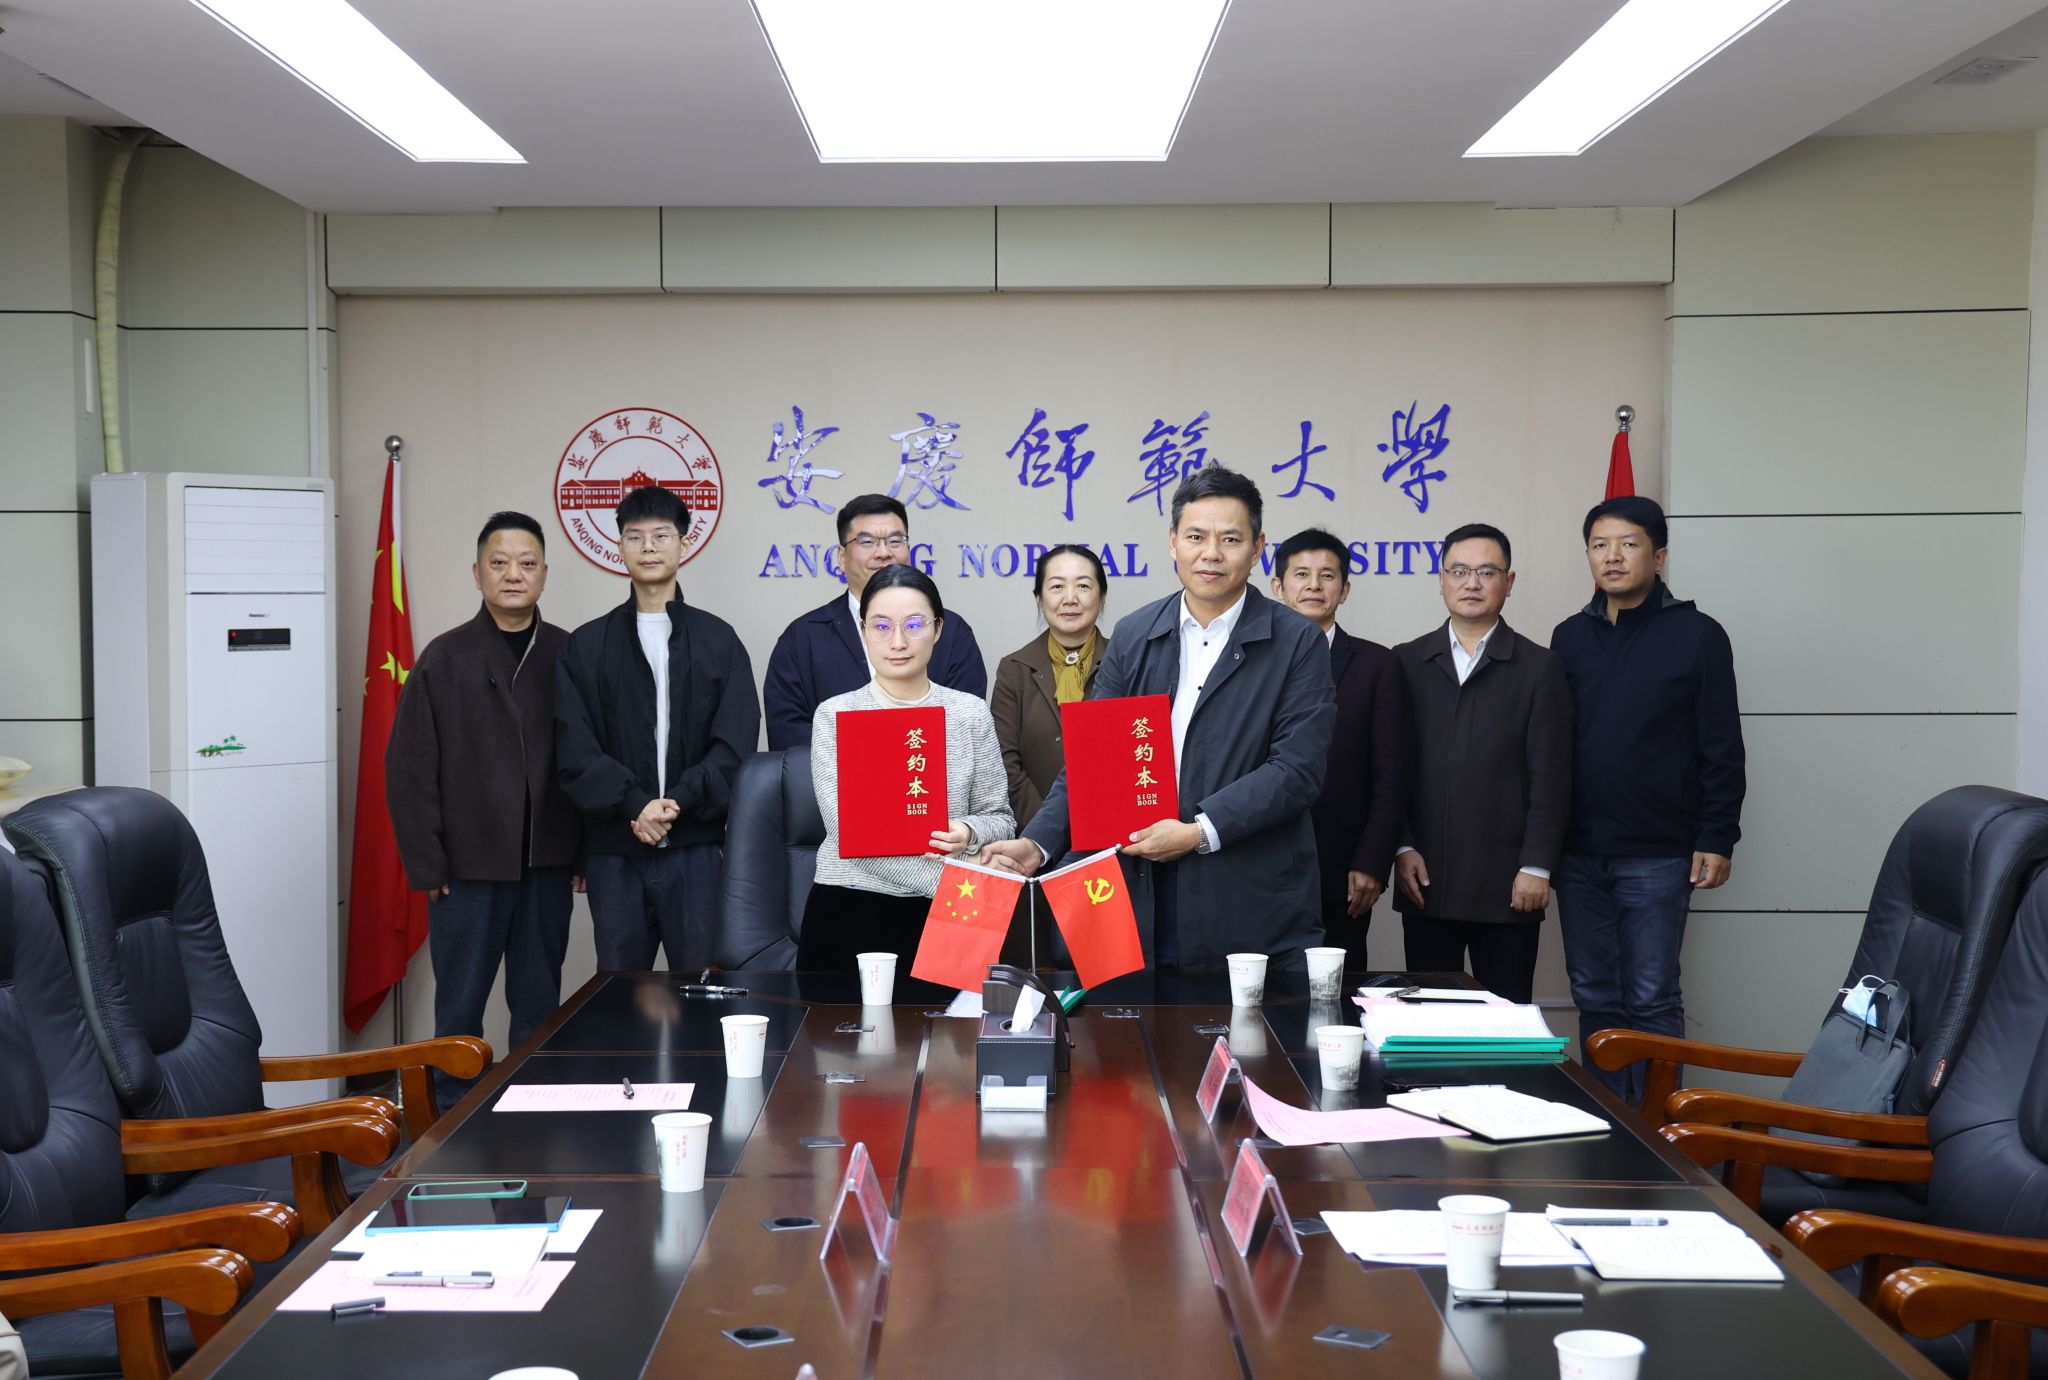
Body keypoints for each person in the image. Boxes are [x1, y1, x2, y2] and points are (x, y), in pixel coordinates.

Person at [981, 467, 1334, 970]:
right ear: (1173, 542)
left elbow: (1297, 771)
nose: (1211, 553)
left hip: (1247, 902)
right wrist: (1038, 843)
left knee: (1247, 1023)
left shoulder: (1297, 641)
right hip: (1139, 897)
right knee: (1137, 1018)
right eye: (1196, 537)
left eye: (1231, 539)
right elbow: (1093, 760)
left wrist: (1198, 830)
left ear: (1258, 548)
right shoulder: (1134, 634)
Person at [1550, 495, 1745, 1098]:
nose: (1612, 556)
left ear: (1658, 557)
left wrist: (1718, 835)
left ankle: (1660, 1132)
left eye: (1628, 544)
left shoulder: (1698, 635)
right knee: (1594, 995)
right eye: (1600, 545)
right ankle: (1612, 1124)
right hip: (1579, 853)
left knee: (1652, 997)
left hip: (1660, 852)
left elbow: (1722, 744)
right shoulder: (1568, 637)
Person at [386, 511, 580, 1095]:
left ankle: (531, 1109)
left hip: (546, 863)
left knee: (539, 1002)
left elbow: (588, 760)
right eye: (499, 563)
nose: (513, 575)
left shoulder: (568, 652)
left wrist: (584, 853)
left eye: (527, 564)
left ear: (544, 574)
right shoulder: (444, 658)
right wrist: (428, 864)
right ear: (477, 573)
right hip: (465, 868)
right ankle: (448, 1116)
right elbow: (409, 768)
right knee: (460, 1005)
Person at [556, 484, 759, 972]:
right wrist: (636, 805)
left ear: (683, 544)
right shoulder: (586, 646)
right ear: (619, 547)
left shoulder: (719, 641)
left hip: (698, 850)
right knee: (619, 993)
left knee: (704, 991)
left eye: (661, 535)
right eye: (635, 536)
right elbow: (575, 749)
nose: (648, 547)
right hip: (615, 852)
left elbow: (734, 746)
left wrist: (678, 802)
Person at [798, 565, 1015, 970]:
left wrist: (968, 832)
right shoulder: (836, 715)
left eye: (914, 625)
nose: (898, 641)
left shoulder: (969, 713)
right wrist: (955, 875)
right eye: (881, 626)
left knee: (952, 1014)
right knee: (838, 1015)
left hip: (955, 913)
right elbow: (848, 837)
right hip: (851, 906)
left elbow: (1001, 819)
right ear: (863, 631)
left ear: (938, 629)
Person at [1391, 523, 1572, 1002]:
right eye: (1459, 571)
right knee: (1428, 1019)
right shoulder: (1405, 662)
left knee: (1506, 1022)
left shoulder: (1539, 666)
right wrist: (1401, 846)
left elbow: (1552, 778)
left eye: (1487, 572)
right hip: (1425, 879)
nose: (1472, 583)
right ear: (1441, 580)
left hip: (1509, 884)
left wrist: (1538, 866)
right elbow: (1391, 771)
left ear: (1508, 583)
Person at [1270, 527, 1410, 952]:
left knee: (1336, 985)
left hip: (1342, 864)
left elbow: (1392, 774)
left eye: (1327, 575)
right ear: (1277, 587)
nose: (1314, 585)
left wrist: (1373, 861)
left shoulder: (1377, 664)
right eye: (1301, 574)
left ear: (1344, 590)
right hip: (1259, 864)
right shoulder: (1250, 659)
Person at [763, 494, 987, 749]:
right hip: (836, 774)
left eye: (895, 541)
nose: (883, 553)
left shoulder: (950, 630)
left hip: (928, 771)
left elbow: (965, 726)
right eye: (867, 541)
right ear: (842, 556)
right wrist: (871, 758)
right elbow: (787, 732)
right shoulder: (802, 638)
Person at [989, 543, 1110, 964]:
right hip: (1032, 849)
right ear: (1039, 598)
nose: (1069, 598)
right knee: (1040, 966)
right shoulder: (1014, 668)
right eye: (1057, 586)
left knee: (1102, 967)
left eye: (1083, 586)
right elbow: (1004, 763)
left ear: (1102, 596)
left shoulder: (1126, 664)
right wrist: (1047, 834)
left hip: (1107, 852)